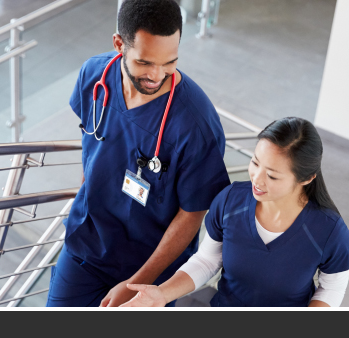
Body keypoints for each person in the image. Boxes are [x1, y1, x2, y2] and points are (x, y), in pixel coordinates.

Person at [47, 0, 230, 307]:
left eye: (169, 62)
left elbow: (192, 213)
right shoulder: (95, 76)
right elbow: (90, 140)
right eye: (145, 63)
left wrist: (138, 284)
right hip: (86, 245)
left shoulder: (196, 124)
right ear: (119, 44)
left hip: (151, 267)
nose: (157, 75)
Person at [121, 117, 349, 307]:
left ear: (307, 178)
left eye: (272, 175)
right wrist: (162, 294)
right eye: (255, 162)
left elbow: (332, 287)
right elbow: (207, 260)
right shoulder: (230, 201)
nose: (257, 179)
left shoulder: (328, 231)